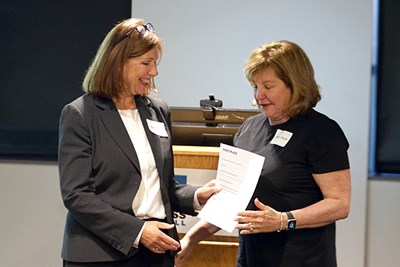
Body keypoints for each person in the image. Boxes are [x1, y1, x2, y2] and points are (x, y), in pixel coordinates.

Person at [58, 18, 220, 267]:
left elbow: (162, 186)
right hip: (101, 255)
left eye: (155, 63)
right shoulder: (81, 114)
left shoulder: (158, 110)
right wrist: (138, 231)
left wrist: (197, 196)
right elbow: (77, 195)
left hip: (157, 252)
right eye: (146, 63)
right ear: (117, 62)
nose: (154, 72)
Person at [175, 40, 351, 267]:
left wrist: (282, 220)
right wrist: (191, 238)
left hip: (302, 259)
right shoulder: (249, 128)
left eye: (268, 86)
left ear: (294, 85)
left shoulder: (322, 132)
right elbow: (232, 202)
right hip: (251, 258)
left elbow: (339, 204)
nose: (259, 96)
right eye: (255, 86)